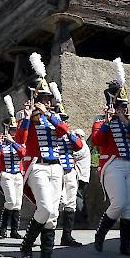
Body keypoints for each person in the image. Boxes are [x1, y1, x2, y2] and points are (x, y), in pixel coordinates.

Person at [15, 52, 81, 258]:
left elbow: (66, 133)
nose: (46, 102)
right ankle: (26, 246)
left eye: (47, 99)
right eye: (42, 98)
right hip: (38, 167)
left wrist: (50, 115)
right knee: (44, 208)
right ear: (34, 99)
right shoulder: (28, 119)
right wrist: (26, 118)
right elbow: (20, 140)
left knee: (53, 213)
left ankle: (46, 256)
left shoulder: (54, 118)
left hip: (57, 168)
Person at [92, 58, 130, 257]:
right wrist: (107, 121)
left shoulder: (128, 121)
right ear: (112, 104)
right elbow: (97, 140)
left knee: (129, 207)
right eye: (120, 105)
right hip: (112, 164)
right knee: (119, 203)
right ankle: (100, 233)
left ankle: (125, 246)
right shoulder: (100, 120)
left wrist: (126, 120)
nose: (123, 109)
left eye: (125, 106)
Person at [50, 83, 84, 247]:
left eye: (65, 119)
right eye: (61, 119)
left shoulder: (69, 134)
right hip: (57, 169)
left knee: (71, 203)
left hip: (70, 171)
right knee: (55, 204)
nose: (64, 122)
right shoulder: (51, 134)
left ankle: (67, 236)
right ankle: (47, 237)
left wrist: (68, 133)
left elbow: (78, 145)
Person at [0, 97, 25, 239]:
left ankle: (14, 230)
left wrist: (14, 143)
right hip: (6, 174)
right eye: (11, 129)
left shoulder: (19, 141)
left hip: (18, 174)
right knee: (10, 201)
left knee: (17, 203)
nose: (13, 132)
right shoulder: (1, 142)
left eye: (15, 129)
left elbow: (23, 154)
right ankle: (3, 226)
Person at [72, 128, 91, 225]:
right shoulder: (85, 146)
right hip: (83, 176)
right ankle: (83, 219)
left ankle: (79, 221)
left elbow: (73, 155)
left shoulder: (82, 146)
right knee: (80, 197)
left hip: (80, 176)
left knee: (78, 197)